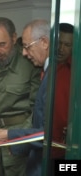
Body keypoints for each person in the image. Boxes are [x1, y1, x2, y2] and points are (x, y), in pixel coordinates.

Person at [0, 17, 41, 176]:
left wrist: (16, 138)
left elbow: (37, 110)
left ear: (14, 38)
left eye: (2, 44)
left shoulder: (30, 62)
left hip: (19, 138)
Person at [0, 19, 51, 176]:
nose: (24, 53)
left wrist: (10, 136)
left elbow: (49, 133)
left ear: (44, 42)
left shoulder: (57, 76)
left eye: (26, 46)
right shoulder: (48, 72)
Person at [51, 23, 73, 159]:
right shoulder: (41, 64)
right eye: (58, 43)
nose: (61, 48)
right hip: (42, 144)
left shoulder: (75, 71)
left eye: (67, 45)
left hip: (66, 145)